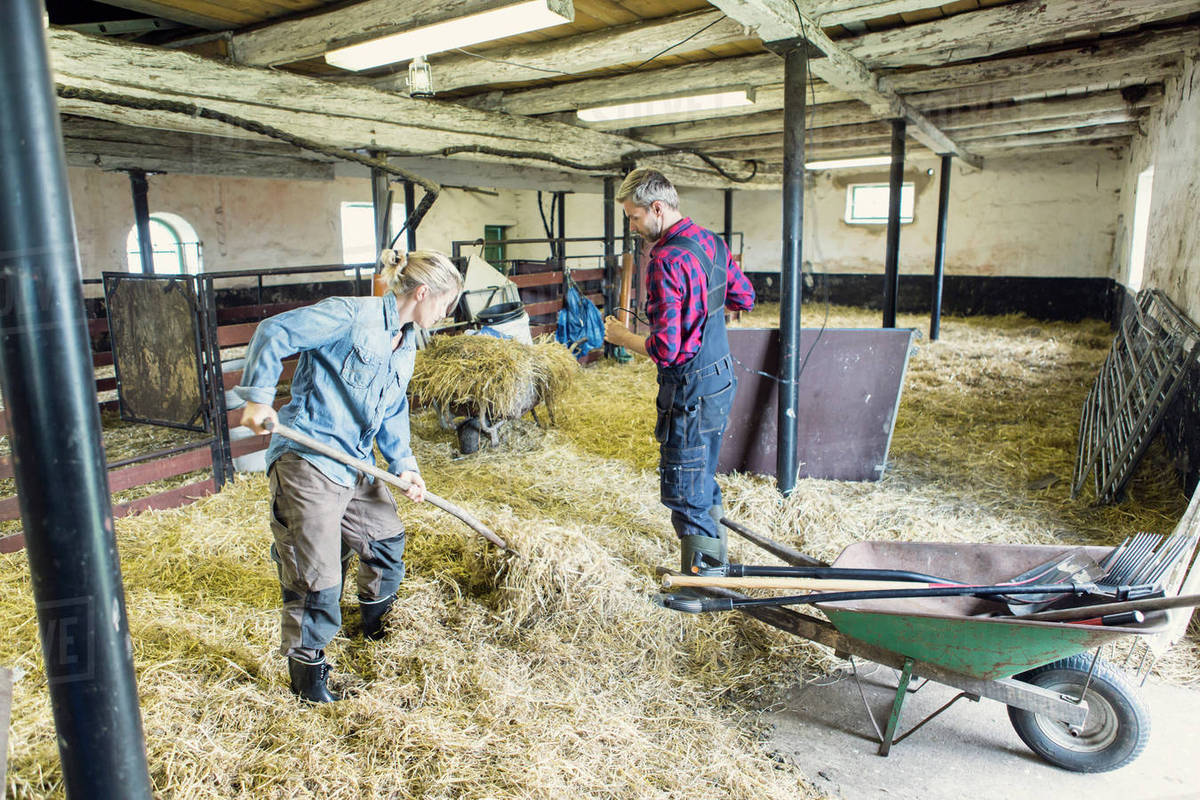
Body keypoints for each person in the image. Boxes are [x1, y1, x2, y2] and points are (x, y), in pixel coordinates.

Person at [236, 249, 463, 703]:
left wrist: (404, 467)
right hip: (308, 459)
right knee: (315, 578)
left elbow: (394, 409)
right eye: (445, 303)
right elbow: (274, 330)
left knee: (386, 540)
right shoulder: (349, 315)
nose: (446, 313)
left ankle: (376, 628)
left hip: (356, 463)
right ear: (423, 293)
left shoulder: (408, 343)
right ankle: (307, 677)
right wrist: (259, 398)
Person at [603, 169, 755, 574]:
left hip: (689, 389)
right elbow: (745, 296)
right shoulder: (712, 243)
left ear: (657, 209)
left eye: (634, 217)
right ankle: (716, 556)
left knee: (686, 488)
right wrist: (701, 306)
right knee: (703, 470)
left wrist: (622, 336)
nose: (633, 226)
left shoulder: (666, 260)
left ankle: (704, 580)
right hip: (721, 377)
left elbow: (667, 351)